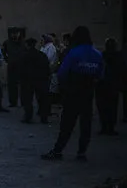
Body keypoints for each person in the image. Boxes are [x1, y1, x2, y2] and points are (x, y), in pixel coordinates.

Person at [41, 26, 103, 161]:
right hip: (88, 92)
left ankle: (58, 151)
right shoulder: (97, 54)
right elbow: (100, 74)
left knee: (67, 124)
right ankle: (82, 152)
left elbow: (62, 73)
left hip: (73, 92)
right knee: (86, 124)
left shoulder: (73, 53)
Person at [96, 38, 125, 135]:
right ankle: (111, 127)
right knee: (112, 107)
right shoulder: (119, 56)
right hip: (113, 85)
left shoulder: (101, 55)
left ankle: (104, 127)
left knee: (102, 107)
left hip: (102, 85)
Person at [19, 38, 51, 124]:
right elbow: (47, 68)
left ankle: (28, 116)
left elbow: (21, 69)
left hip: (28, 80)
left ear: (27, 45)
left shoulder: (24, 55)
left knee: (27, 99)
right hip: (41, 79)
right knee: (42, 99)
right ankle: (44, 117)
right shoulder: (42, 55)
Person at [2, 28, 24, 107]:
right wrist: (7, 60)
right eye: (13, 33)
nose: (15, 35)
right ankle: (13, 102)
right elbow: (3, 52)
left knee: (23, 85)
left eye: (16, 33)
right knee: (11, 85)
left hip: (22, 66)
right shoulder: (7, 43)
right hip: (11, 66)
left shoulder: (23, 43)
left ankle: (23, 102)